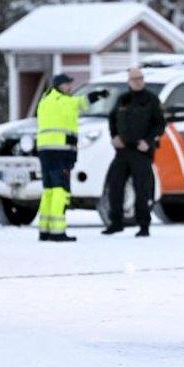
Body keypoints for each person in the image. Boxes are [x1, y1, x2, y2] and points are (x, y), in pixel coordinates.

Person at [36, 74, 108, 242]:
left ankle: (44, 230)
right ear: (59, 86)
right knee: (61, 191)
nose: (70, 87)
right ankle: (57, 231)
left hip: (45, 151)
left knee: (49, 191)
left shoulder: (44, 102)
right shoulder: (65, 102)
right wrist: (98, 95)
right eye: (67, 84)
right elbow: (82, 102)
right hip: (60, 151)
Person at [102, 66, 166, 237]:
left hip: (141, 152)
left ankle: (144, 226)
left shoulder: (151, 99)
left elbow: (160, 125)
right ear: (129, 81)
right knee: (115, 186)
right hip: (122, 151)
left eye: (140, 78)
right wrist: (114, 136)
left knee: (141, 190)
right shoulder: (123, 99)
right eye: (134, 79)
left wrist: (148, 141)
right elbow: (112, 119)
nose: (137, 81)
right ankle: (116, 223)